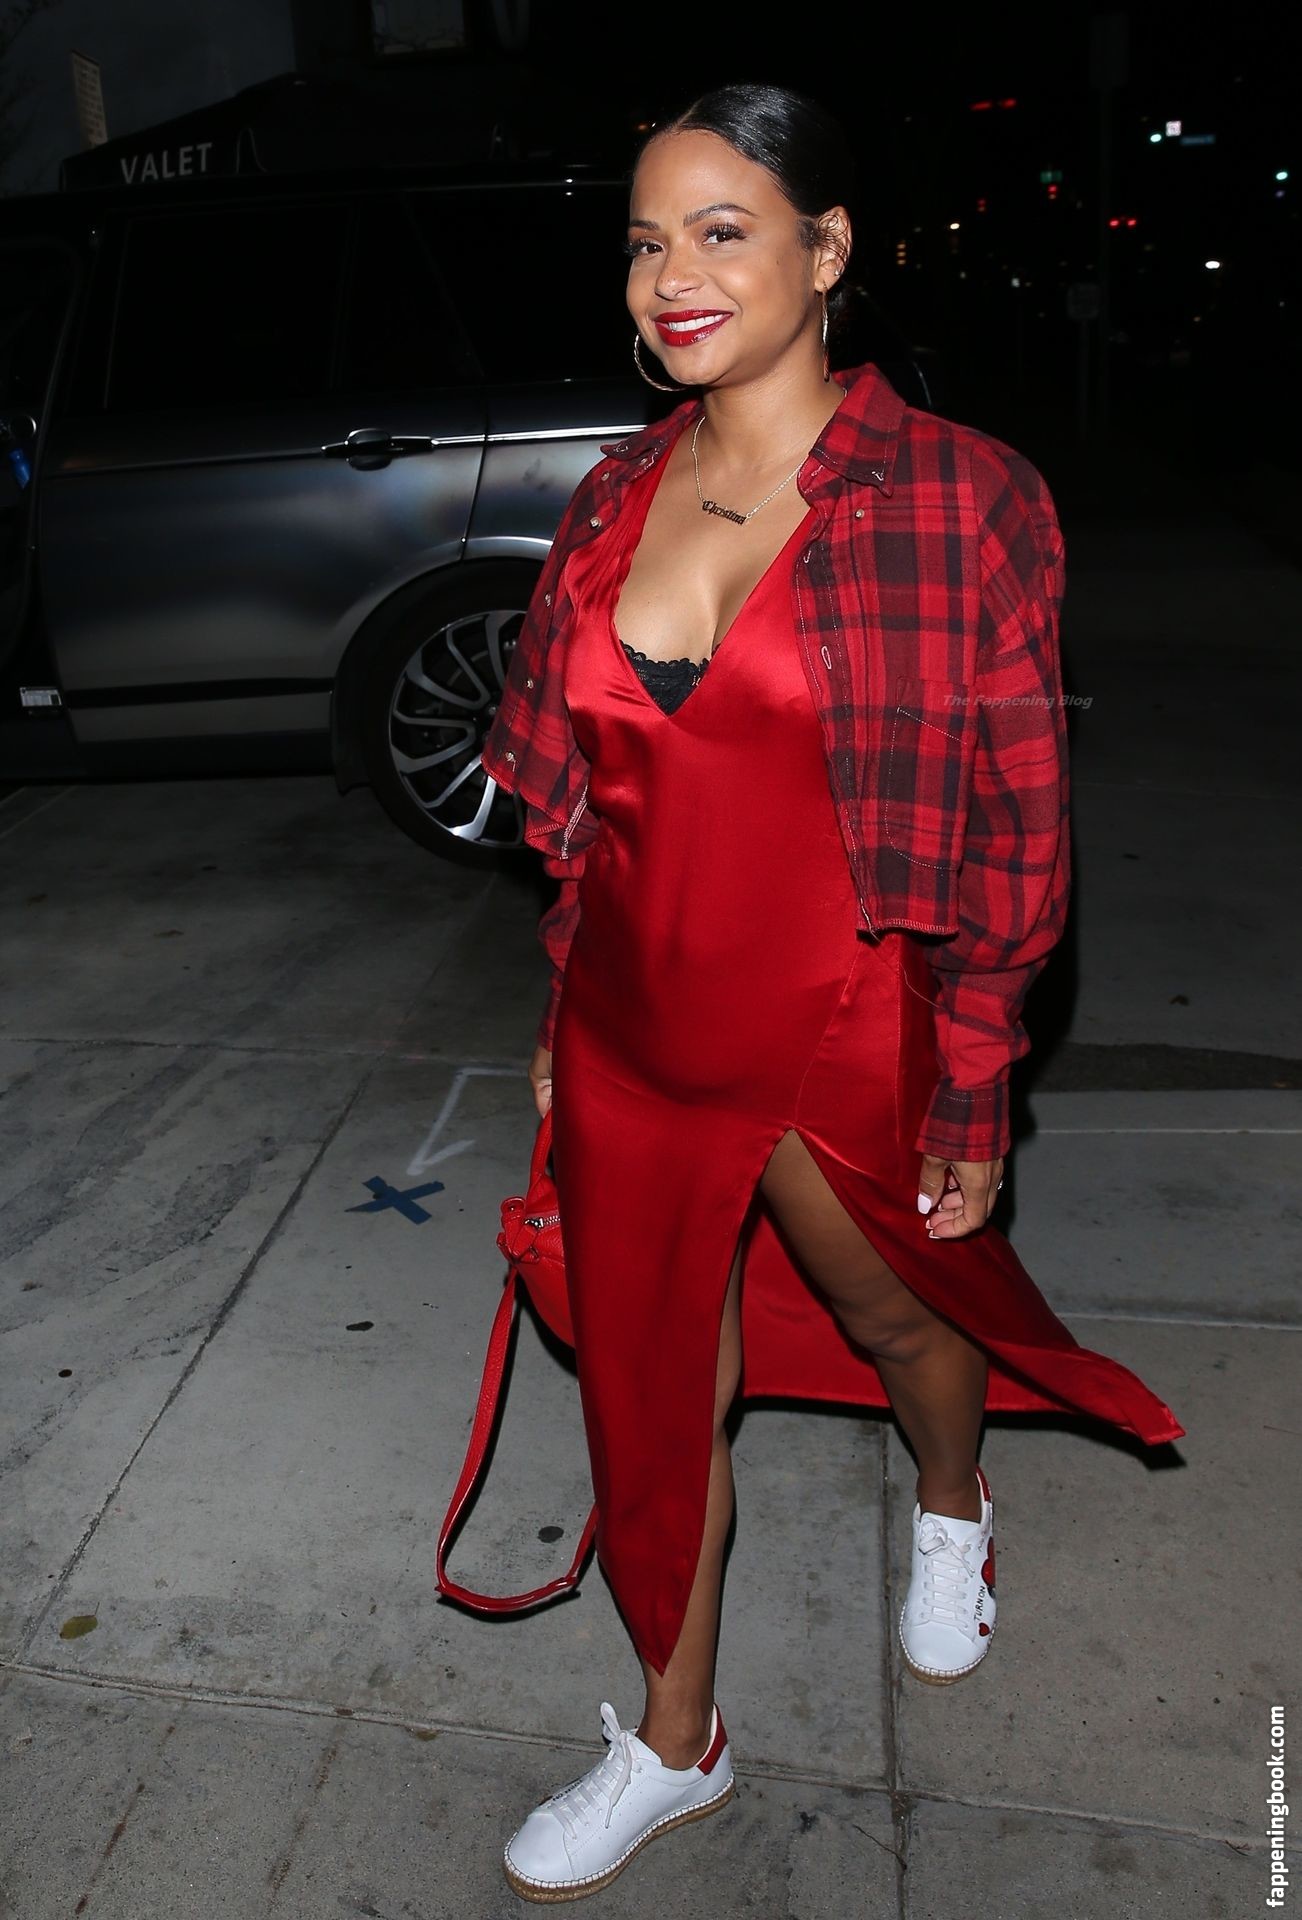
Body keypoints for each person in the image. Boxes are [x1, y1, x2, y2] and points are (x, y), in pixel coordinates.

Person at [479, 81, 1183, 1903]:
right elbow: (575, 821)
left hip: (837, 1016)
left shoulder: (960, 498)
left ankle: (952, 1505)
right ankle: (673, 1740)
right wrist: (556, 1026)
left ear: (827, 249)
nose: (672, 275)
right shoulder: (611, 497)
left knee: (896, 1315)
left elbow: (1017, 823)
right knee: (648, 1390)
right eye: (645, 240)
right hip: (631, 1025)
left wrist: (975, 1077)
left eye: (722, 231)